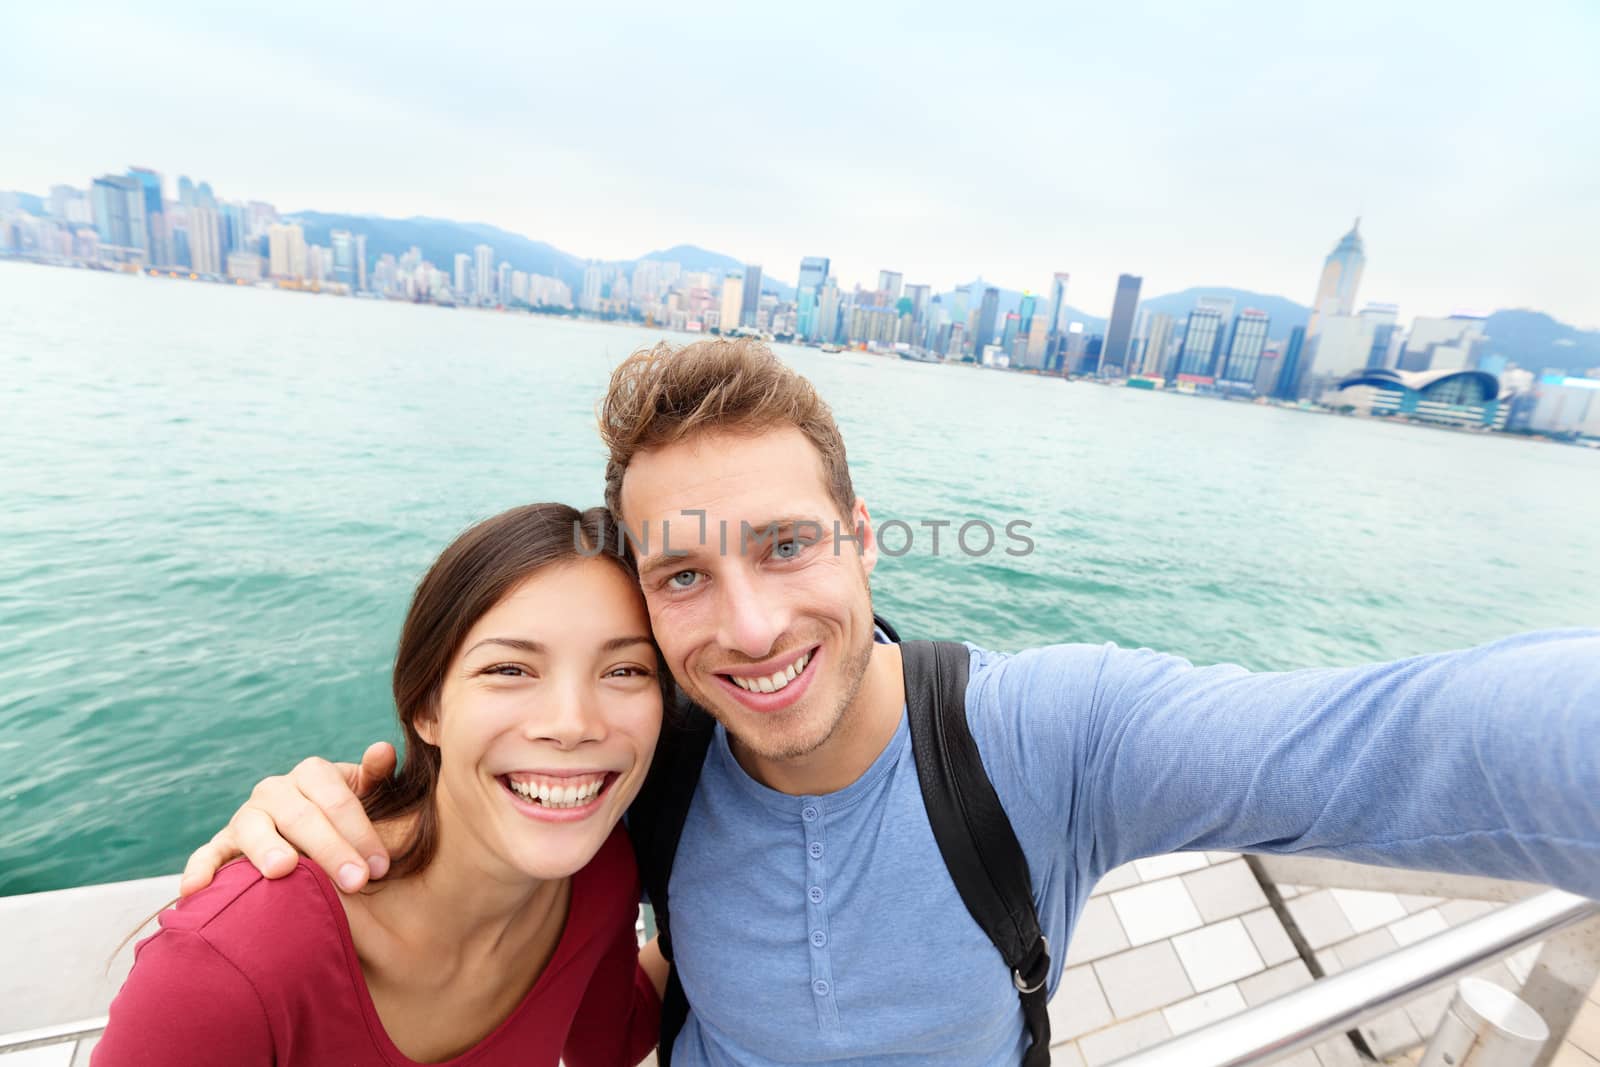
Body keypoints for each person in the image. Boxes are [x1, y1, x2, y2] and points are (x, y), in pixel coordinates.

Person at [182, 340, 1600, 1066]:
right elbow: (498, 847)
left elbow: (1406, 738)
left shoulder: (1040, 738)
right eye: (683, 574)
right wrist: (302, 818)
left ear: (863, 538)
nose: (748, 626)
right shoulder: (646, 762)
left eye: (788, 545)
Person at [97, 504, 664, 1066]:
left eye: (625, 671)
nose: (572, 724)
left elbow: (610, 1038)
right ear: (426, 709)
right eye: (509, 670)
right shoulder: (226, 967)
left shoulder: (601, 877)